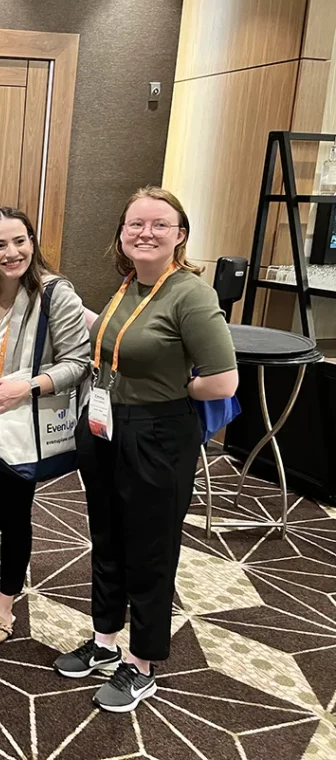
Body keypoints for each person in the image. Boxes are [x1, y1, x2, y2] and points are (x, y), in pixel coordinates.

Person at [52, 186, 238, 713]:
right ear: (122, 234)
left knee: (151, 552)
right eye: (136, 224)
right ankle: (105, 641)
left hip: (157, 434)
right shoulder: (131, 284)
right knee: (108, 537)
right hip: (107, 427)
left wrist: (177, 392)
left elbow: (223, 381)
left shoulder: (191, 295)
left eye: (159, 224)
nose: (146, 233)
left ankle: (142, 663)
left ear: (180, 235)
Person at [0, 206, 89, 647]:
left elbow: (78, 363)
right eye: (0, 244)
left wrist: (26, 388)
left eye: (20, 241)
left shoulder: (55, 293)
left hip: (20, 417)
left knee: (13, 516)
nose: (12, 253)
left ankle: (4, 605)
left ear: (32, 242)